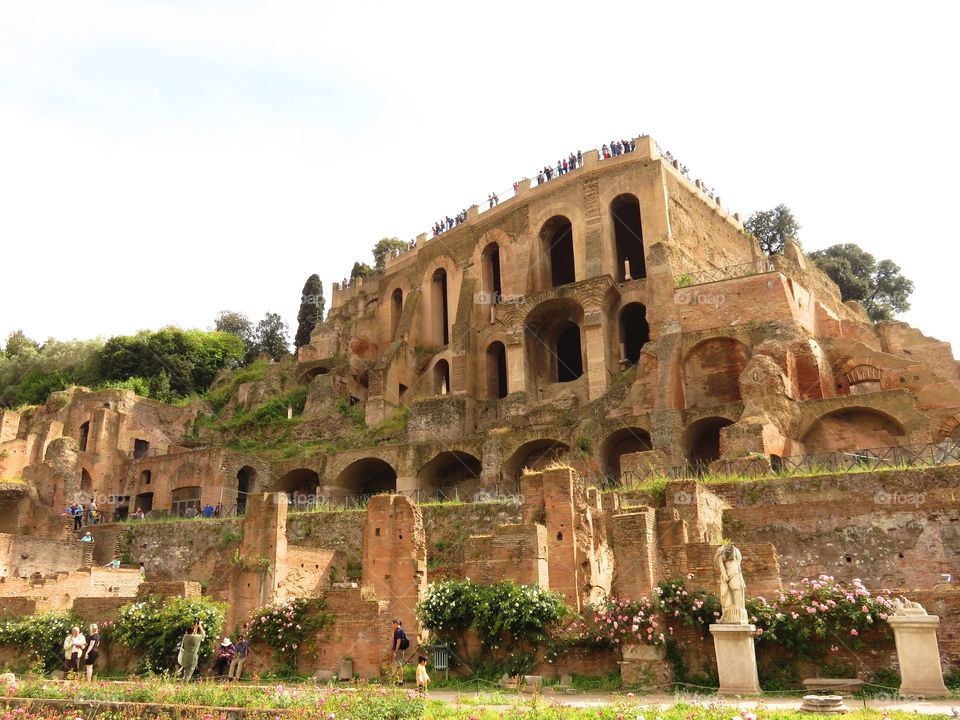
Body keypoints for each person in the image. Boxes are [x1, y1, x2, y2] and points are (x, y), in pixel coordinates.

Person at [390, 619, 408, 686]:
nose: (391, 626)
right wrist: (393, 630)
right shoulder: (396, 631)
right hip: (397, 650)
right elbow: (393, 639)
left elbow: (398, 641)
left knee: (399, 665)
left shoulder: (399, 631)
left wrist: (396, 651)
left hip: (399, 650)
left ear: (396, 624)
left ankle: (401, 681)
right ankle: (397, 680)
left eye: (392, 624)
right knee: (397, 666)